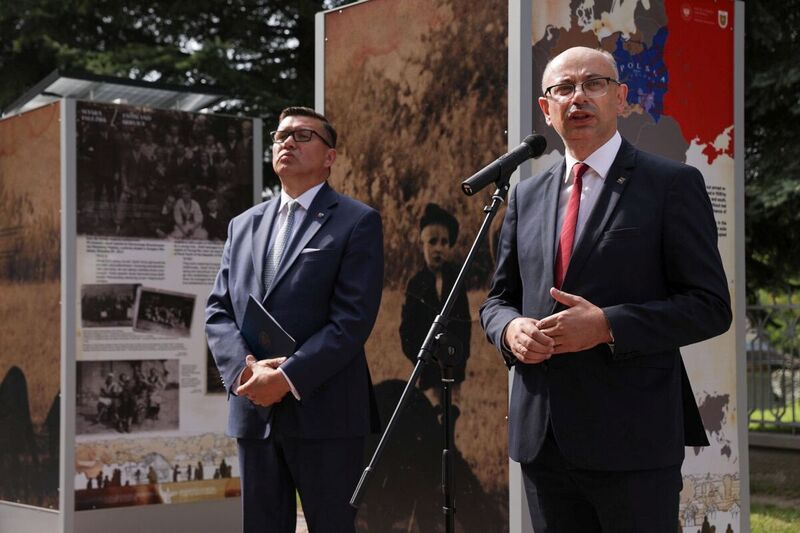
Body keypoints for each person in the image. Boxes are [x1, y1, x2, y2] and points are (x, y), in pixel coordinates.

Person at [479, 47, 732, 532]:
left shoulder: (671, 185)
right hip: (544, 441)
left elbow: (709, 306)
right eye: (563, 89)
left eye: (593, 84)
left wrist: (607, 326)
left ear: (620, 97)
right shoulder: (526, 195)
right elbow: (498, 299)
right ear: (545, 109)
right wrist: (510, 331)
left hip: (633, 441)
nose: (579, 97)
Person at [206, 106, 384, 533]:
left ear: (330, 157)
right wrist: (246, 373)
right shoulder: (242, 225)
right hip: (254, 411)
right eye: (281, 135)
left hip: (326, 413)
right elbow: (218, 311)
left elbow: (352, 322)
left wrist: (285, 379)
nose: (287, 142)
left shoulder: (357, 221)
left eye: (303, 136)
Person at [399, 202, 471, 410]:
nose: (438, 248)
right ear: (422, 245)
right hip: (428, 372)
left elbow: (464, 325)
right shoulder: (416, 284)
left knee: (452, 414)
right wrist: (423, 361)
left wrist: (459, 357)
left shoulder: (457, 279)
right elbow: (407, 331)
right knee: (432, 416)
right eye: (432, 242)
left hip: (453, 367)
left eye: (444, 242)